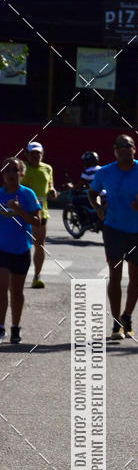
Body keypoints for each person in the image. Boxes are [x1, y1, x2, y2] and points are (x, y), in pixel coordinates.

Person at [88, 135, 138, 340]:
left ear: (135, 149)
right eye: (119, 146)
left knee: (136, 278)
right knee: (115, 276)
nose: (123, 149)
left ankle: (127, 316)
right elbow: (92, 192)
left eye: (127, 146)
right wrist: (98, 208)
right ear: (114, 151)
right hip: (113, 228)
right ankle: (115, 322)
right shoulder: (105, 172)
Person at [0, 157, 42, 344]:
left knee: (16, 291)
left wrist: (19, 210)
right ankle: (0, 327)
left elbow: (37, 221)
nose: (11, 174)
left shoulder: (28, 194)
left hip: (21, 248)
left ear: (21, 174)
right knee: (1, 288)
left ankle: (15, 327)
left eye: (15, 170)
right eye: (7, 170)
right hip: (1, 248)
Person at [21, 140, 57, 288]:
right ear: (27, 154)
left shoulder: (47, 168)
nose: (36, 156)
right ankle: (16, 275)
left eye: (38, 153)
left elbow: (50, 185)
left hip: (41, 214)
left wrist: (53, 190)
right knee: (20, 246)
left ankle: (37, 276)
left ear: (42, 154)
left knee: (39, 246)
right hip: (22, 213)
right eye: (33, 153)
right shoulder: (21, 168)